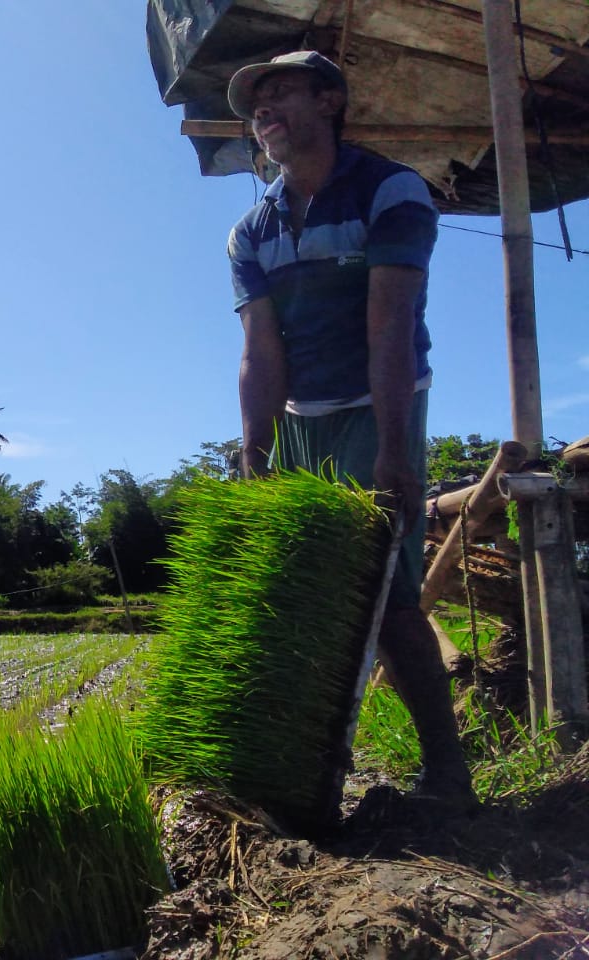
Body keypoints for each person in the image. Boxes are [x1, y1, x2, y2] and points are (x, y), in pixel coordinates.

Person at [226, 51, 476, 806]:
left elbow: (389, 326)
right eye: (256, 104)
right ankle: (306, 776)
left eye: (282, 94)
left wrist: (395, 449)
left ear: (330, 100)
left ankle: (448, 776)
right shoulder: (251, 230)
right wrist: (254, 456)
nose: (264, 111)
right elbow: (261, 352)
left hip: (379, 402)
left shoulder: (388, 189)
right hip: (304, 416)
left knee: (386, 590)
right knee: (303, 591)